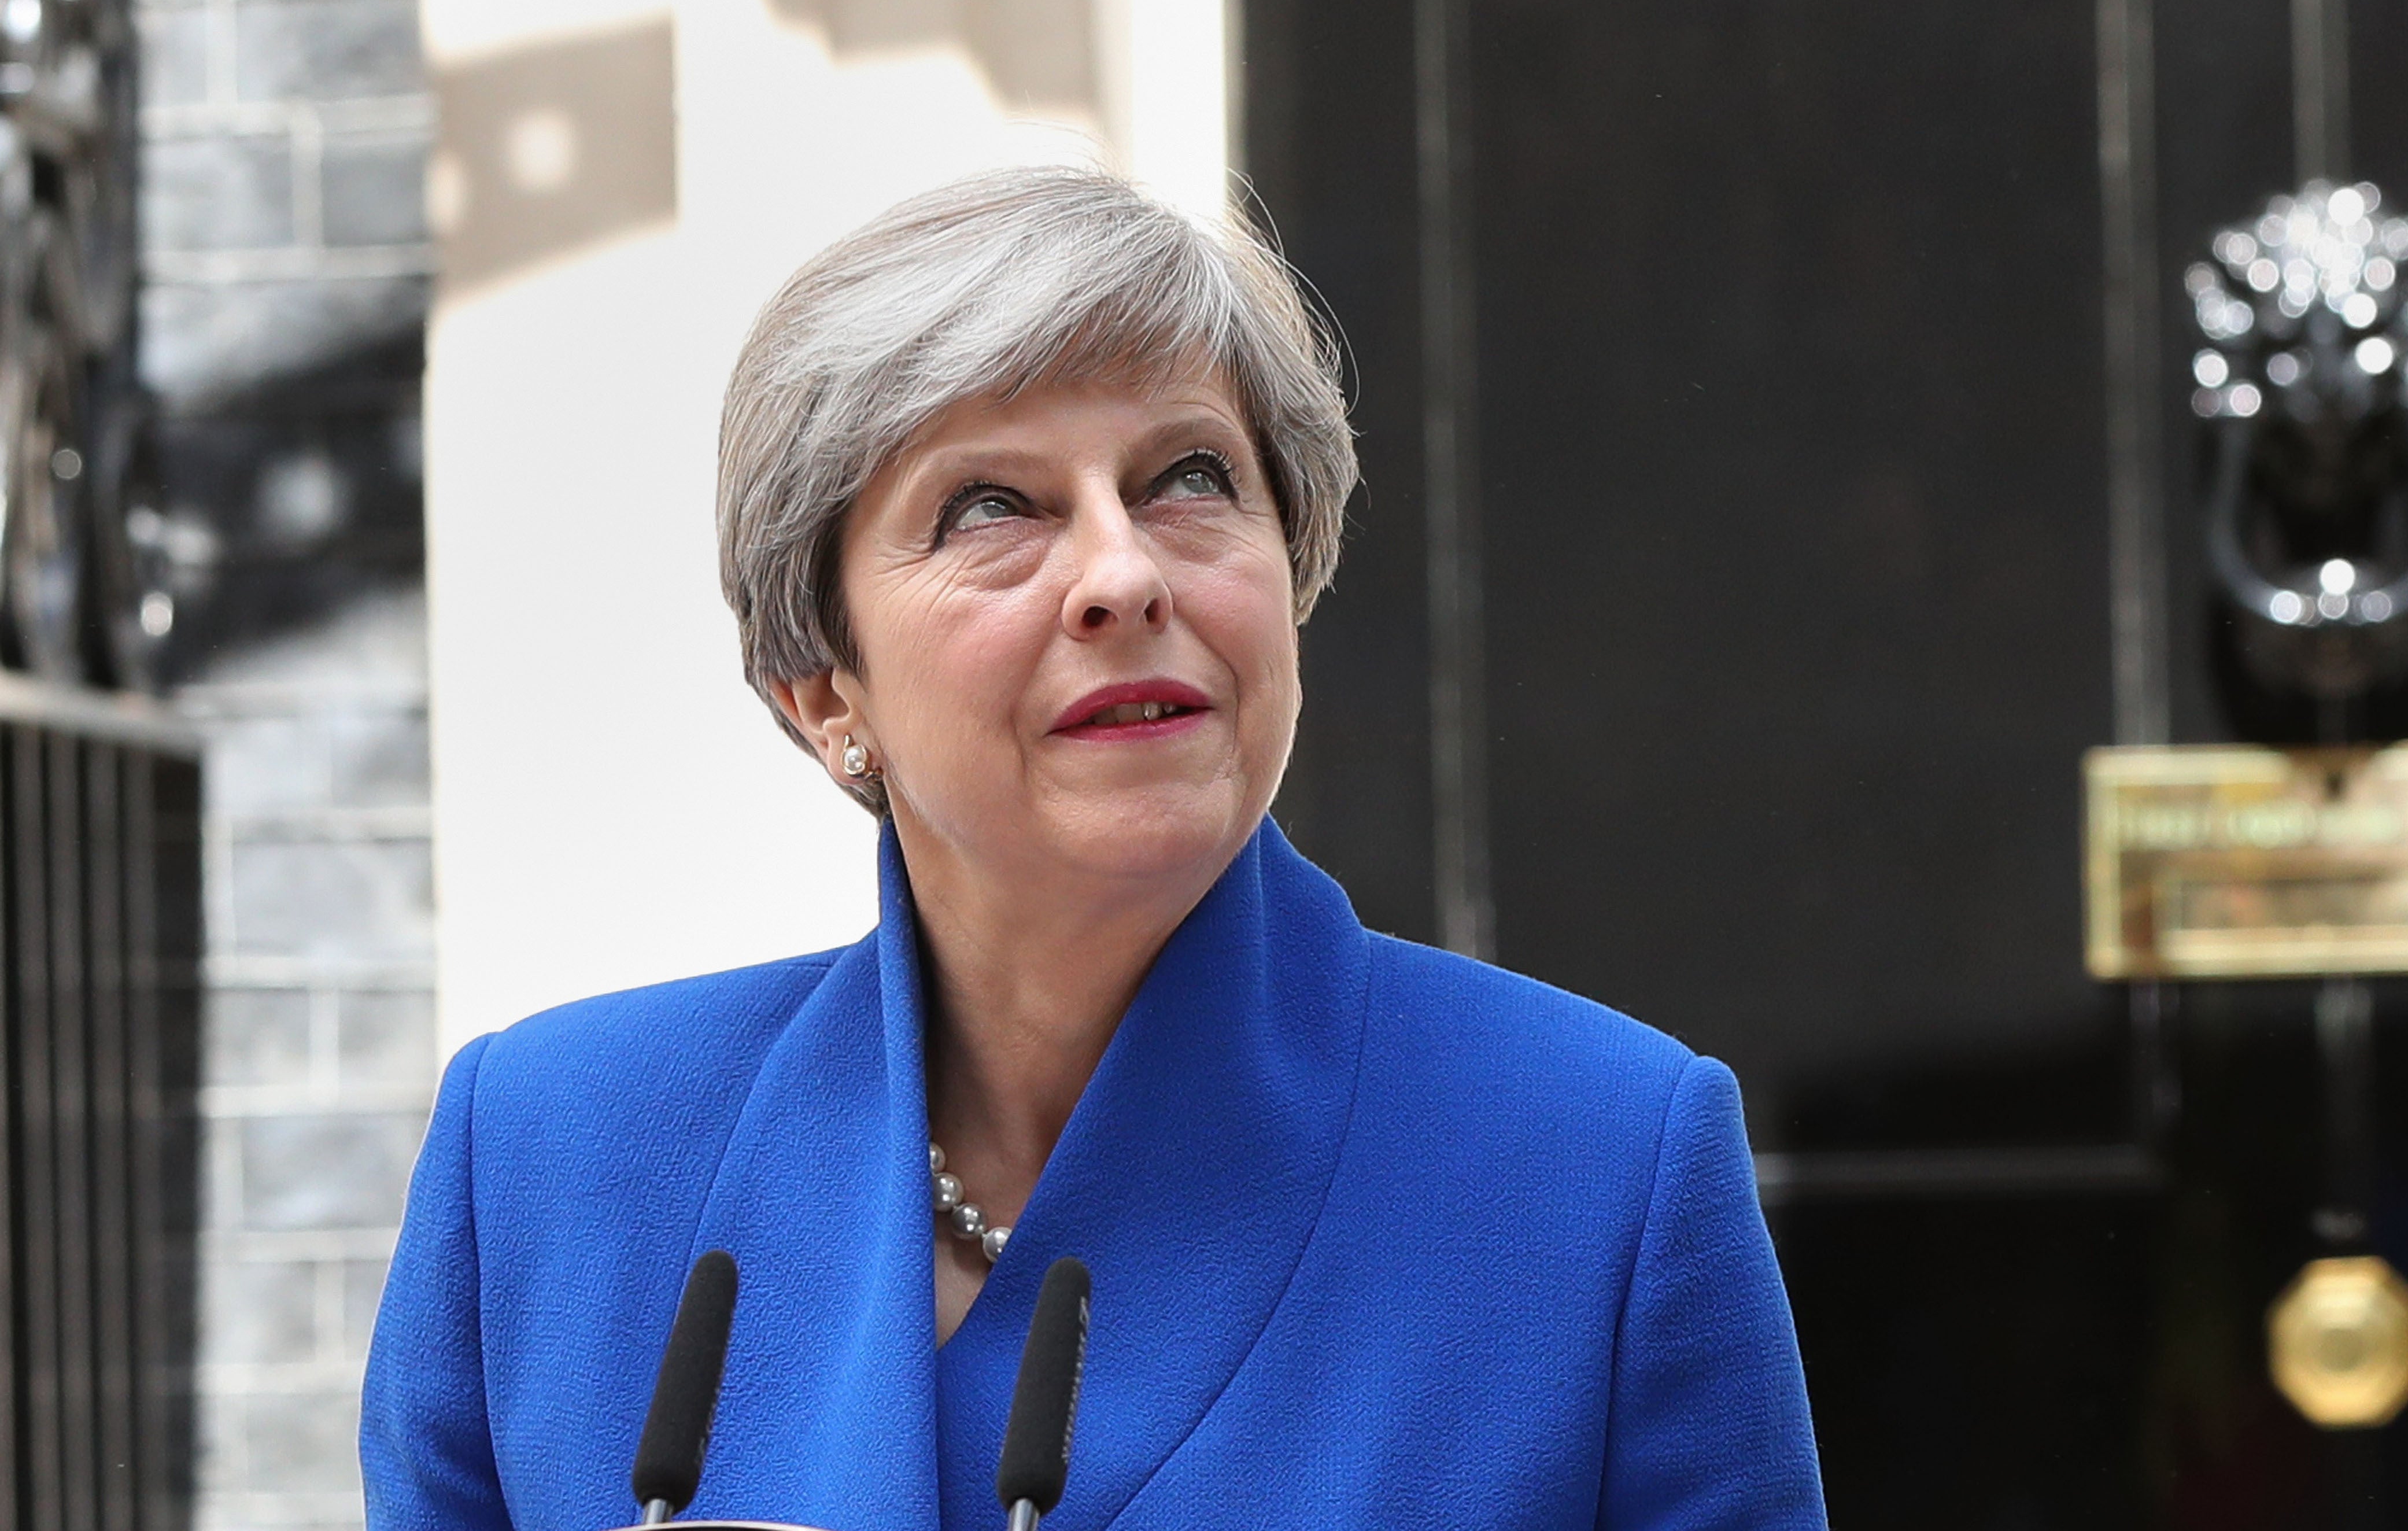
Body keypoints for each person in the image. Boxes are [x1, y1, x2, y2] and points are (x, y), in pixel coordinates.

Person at [359, 166, 1827, 1531]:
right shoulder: (547, 1161)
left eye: (1189, 476)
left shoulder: (1604, 1165)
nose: (1122, 572)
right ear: (825, 694)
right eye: (992, 507)